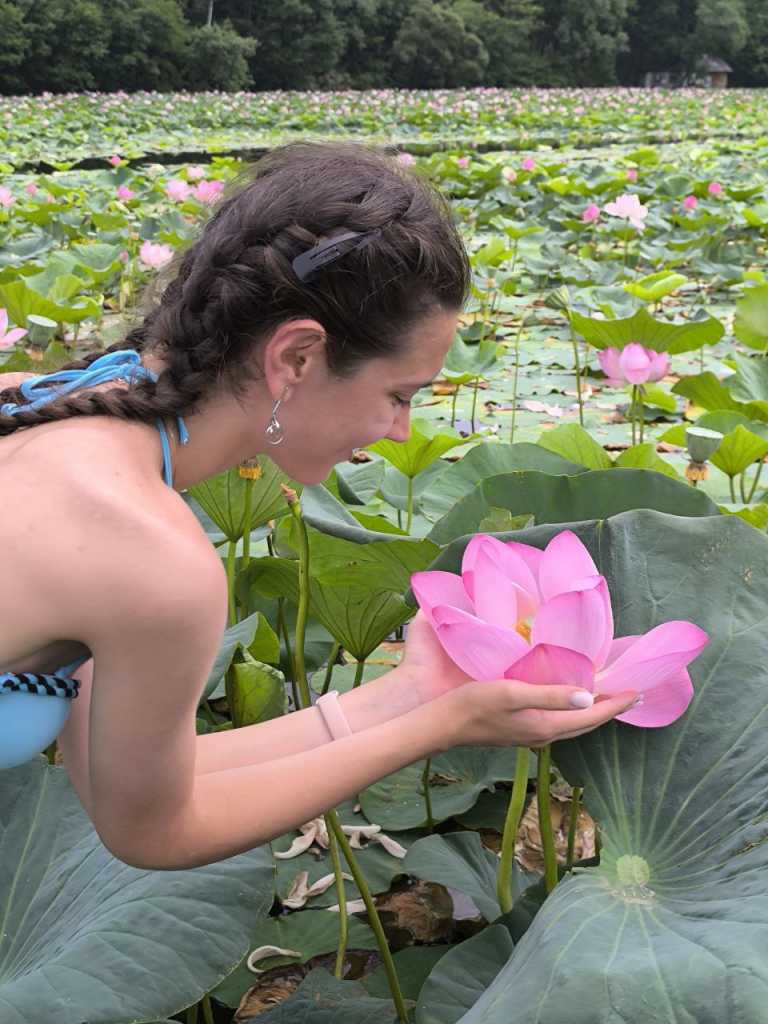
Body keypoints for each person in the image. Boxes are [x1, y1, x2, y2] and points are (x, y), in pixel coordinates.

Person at [0, 142, 636, 870]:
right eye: (400, 395)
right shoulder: (150, 559)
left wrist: (415, 696)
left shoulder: (39, 402)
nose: (402, 431)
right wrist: (442, 728)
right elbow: (151, 830)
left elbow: (130, 784)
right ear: (296, 357)